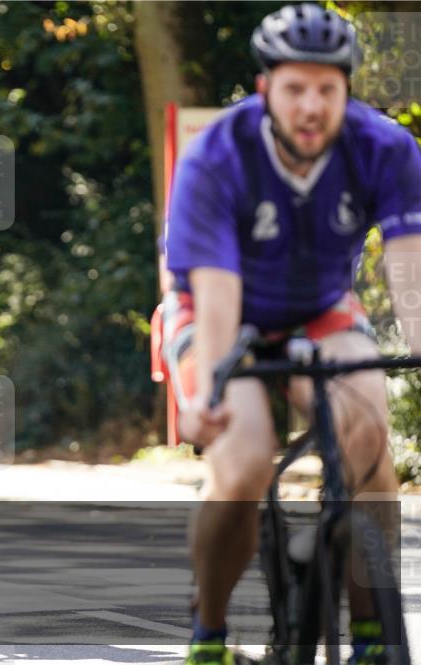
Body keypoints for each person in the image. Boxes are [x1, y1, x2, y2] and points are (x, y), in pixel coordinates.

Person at [161, 5, 421, 664]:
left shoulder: (386, 147)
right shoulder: (217, 155)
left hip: (319, 308)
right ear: (264, 88)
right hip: (219, 309)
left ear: (347, 90)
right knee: (245, 460)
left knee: (369, 442)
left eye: (327, 89)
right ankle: (210, 630)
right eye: (295, 88)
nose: (311, 105)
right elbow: (217, 292)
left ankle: (368, 631)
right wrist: (211, 393)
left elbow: (410, 260)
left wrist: (417, 344)